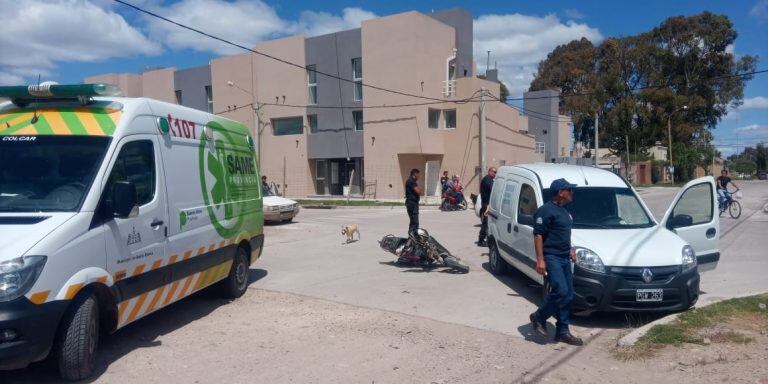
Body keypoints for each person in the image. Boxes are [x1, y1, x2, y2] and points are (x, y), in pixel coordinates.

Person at [529, 178, 583, 346]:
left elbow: (563, 234)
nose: (572, 193)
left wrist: (570, 249)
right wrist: (540, 260)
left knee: (567, 295)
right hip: (552, 257)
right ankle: (539, 316)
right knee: (560, 290)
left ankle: (563, 331)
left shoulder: (565, 211)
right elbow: (538, 236)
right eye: (570, 190)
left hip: (564, 257)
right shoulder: (545, 211)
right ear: (560, 192)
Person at [477, 167, 496, 247]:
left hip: (487, 204)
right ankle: (481, 240)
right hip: (486, 204)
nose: (495, 174)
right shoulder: (487, 179)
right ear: (489, 171)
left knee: (488, 222)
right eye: (494, 172)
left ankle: (485, 239)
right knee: (486, 222)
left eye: (496, 172)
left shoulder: (489, 179)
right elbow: (492, 190)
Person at [405, 169, 421, 237]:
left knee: (413, 221)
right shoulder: (411, 181)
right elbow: (419, 192)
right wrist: (420, 190)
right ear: (415, 174)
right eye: (418, 174)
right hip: (412, 204)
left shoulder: (410, 181)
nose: (419, 176)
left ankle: (412, 236)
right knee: (415, 222)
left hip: (411, 203)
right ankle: (413, 236)